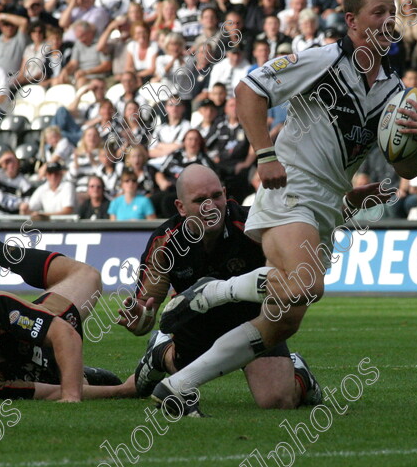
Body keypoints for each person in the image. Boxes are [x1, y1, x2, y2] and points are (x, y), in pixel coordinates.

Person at [149, 0, 417, 416]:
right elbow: (248, 89)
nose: (387, 21)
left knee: (282, 318)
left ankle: (177, 386)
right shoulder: (324, 60)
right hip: (288, 194)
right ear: (352, 21)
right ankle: (211, 293)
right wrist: (265, 154)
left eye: (391, 13)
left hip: (324, 213)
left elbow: (405, 168)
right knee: (308, 284)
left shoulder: (394, 92)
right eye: (377, 12)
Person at [116, 164, 322, 411]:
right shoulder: (166, 242)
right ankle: (162, 353)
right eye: (200, 200)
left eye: (216, 196)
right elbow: (145, 312)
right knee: (180, 367)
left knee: (277, 400)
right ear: (181, 207)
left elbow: (289, 276)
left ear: (225, 194)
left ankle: (300, 373)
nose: (210, 207)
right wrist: (140, 318)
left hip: (252, 320)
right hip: (197, 324)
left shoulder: (252, 225)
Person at [0, 204, 137, 401]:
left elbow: (65, 334)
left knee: (87, 276)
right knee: (88, 381)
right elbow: (50, 392)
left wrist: (72, 396)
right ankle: (77, 372)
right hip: (39, 372)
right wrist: (123, 390)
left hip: (49, 333)